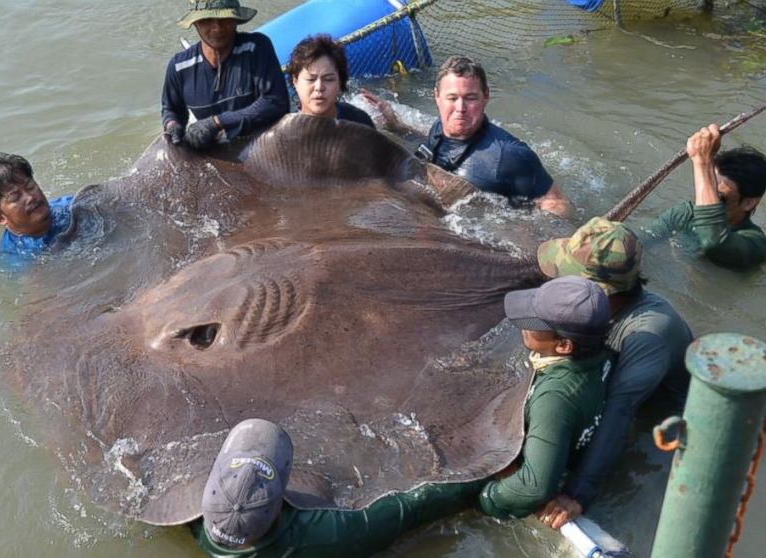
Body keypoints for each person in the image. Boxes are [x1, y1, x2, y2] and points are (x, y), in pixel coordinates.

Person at [534, 217, 693, 529]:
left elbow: (620, 413)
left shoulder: (647, 335)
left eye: (567, 278)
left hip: (661, 420)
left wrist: (577, 493)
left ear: (600, 291)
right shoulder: (598, 310)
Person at [191, 418, 481, 557]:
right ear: (278, 508)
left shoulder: (190, 522)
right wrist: (481, 478)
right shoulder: (327, 534)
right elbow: (412, 508)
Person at [362, 55, 573, 217]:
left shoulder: (508, 155)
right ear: (437, 97)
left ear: (486, 97)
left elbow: (558, 203)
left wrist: (524, 233)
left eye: (470, 98)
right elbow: (430, 147)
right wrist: (395, 126)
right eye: (452, 98)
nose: (460, 108)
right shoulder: (439, 128)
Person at [477, 276, 613, 520]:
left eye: (533, 323)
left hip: (529, 470)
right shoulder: (603, 352)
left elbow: (534, 489)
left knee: (418, 498)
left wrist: (489, 497)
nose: (524, 326)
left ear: (563, 346)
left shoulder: (554, 399)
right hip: (563, 438)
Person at [161, 0, 289, 150]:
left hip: (259, 145)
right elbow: (172, 110)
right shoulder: (179, 67)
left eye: (225, 19)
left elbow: (275, 102)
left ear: (236, 20)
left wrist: (217, 122)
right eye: (207, 20)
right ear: (195, 23)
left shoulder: (256, 48)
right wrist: (172, 125)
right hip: (212, 148)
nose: (217, 27)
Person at [644, 124, 766, 271]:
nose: (706, 200)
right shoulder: (686, 214)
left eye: (719, 197)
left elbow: (714, 242)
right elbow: (642, 242)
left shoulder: (756, 244)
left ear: (749, 203)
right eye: (706, 188)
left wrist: (703, 162)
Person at [0, 153, 73, 267]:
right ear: (0, 217)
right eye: (15, 197)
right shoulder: (14, 258)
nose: (30, 197)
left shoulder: (71, 206)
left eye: (30, 187)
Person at [284, 35, 374, 128]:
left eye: (328, 79)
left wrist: (390, 123)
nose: (319, 87)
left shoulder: (359, 121)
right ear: (295, 81)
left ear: (340, 82)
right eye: (311, 79)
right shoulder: (284, 134)